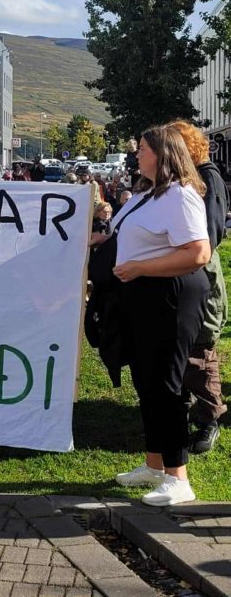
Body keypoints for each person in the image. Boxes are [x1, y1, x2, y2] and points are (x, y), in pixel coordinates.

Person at [95, 125, 210, 505]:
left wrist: (141, 268)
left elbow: (198, 252)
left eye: (142, 149)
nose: (136, 154)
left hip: (169, 296)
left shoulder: (180, 195)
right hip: (141, 295)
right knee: (147, 382)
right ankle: (155, 464)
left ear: (163, 155)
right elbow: (125, 236)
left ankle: (179, 478)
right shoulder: (147, 194)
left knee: (165, 385)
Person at [169, 121, 228, 453]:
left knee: (201, 349)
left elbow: (211, 232)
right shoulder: (183, 178)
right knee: (181, 346)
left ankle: (209, 419)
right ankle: (186, 409)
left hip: (201, 275)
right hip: (182, 272)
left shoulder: (207, 177)